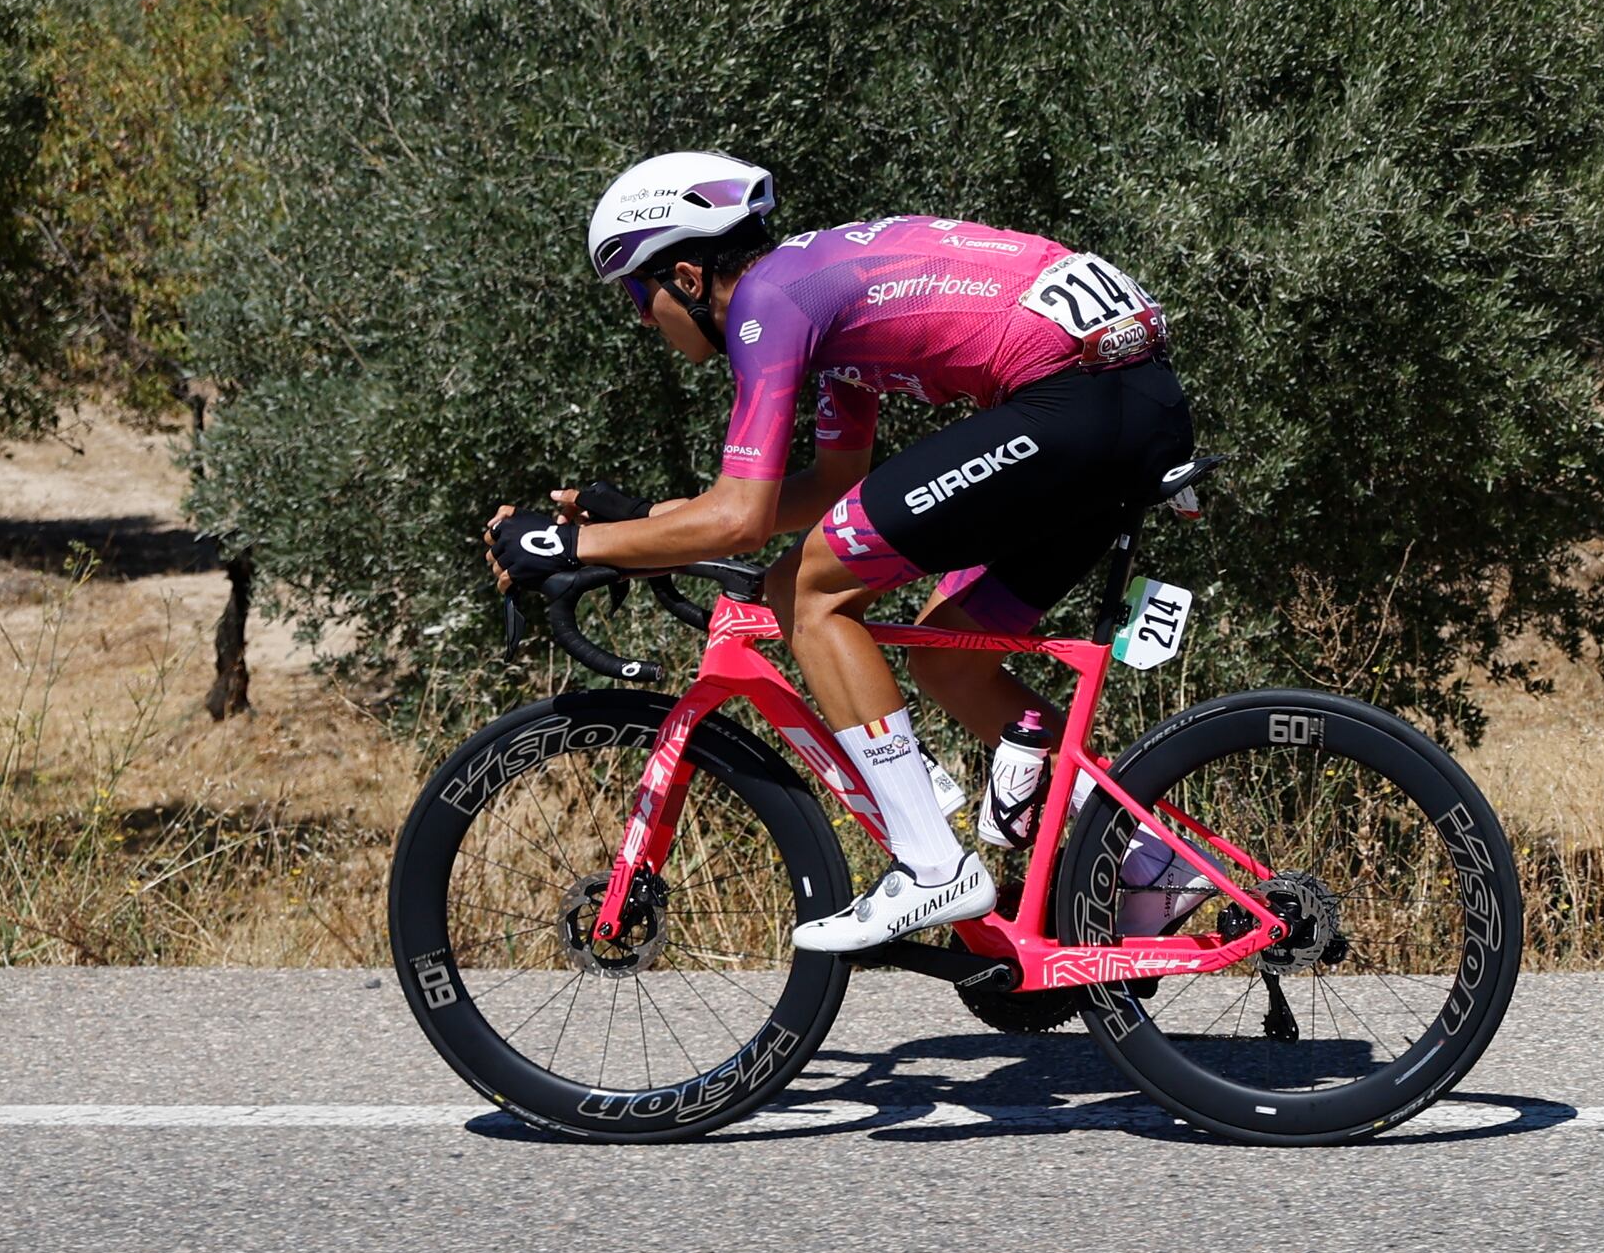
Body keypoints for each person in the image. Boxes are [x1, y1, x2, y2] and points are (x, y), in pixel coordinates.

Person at [486, 153, 1194, 953]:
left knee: (807, 593)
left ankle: (932, 866)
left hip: (1075, 400)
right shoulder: (819, 299)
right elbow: (829, 486)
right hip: (1133, 405)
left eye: (635, 294)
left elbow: (742, 521)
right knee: (950, 658)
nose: (640, 321)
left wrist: (573, 542)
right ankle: (1150, 858)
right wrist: (649, 523)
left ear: (685, 275)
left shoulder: (767, 302)